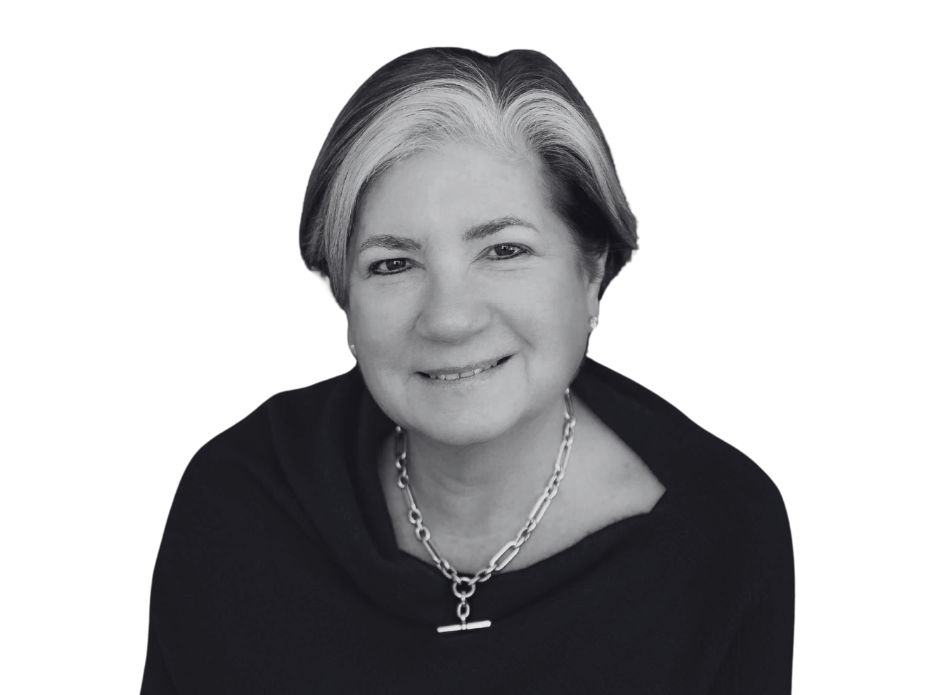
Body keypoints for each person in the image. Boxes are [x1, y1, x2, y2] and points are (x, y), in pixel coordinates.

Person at [140, 47, 794, 694]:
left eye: (504, 250)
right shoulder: (242, 504)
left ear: (592, 271)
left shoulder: (720, 533)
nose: (449, 319)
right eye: (393, 264)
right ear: (346, 300)